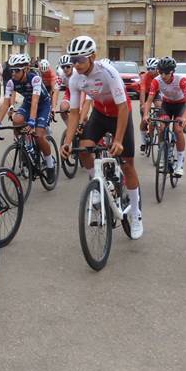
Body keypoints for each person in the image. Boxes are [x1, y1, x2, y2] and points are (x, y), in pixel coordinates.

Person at [59, 36, 144, 237]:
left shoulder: (108, 73)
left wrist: (118, 140)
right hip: (99, 114)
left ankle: (136, 211)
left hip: (119, 114)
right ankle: (95, 184)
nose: (76, 64)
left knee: (127, 164)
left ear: (92, 57)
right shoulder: (75, 79)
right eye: (73, 60)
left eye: (80, 59)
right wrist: (68, 141)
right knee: (84, 150)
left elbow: (123, 107)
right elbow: (73, 112)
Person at [0, 53, 55, 181]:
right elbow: (5, 103)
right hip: (27, 103)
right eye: (12, 70)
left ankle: (50, 164)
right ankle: (26, 147)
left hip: (43, 105)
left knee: (38, 135)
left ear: (26, 69)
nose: (13, 73)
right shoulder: (11, 82)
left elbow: (36, 102)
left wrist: (32, 122)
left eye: (17, 70)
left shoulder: (35, 79)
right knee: (17, 120)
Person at [140, 56, 186, 177]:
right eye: (160, 72)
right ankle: (164, 155)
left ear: (172, 72)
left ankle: (179, 163)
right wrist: (146, 114)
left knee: (178, 129)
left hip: (181, 105)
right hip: (167, 105)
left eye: (166, 73)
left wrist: (184, 117)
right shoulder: (157, 80)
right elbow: (149, 101)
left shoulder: (181, 80)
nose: (163, 76)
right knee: (161, 127)